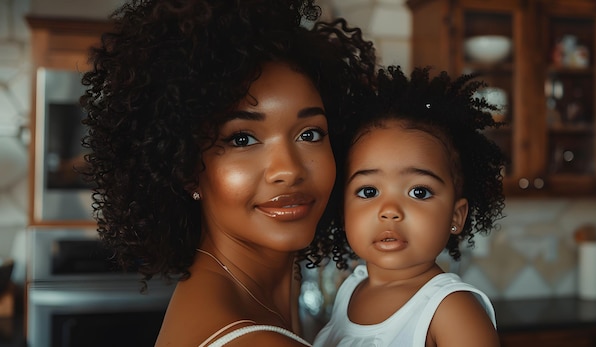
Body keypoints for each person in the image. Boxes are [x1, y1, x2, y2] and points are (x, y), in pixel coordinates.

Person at [79, 0, 377, 346]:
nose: (289, 170)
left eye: (309, 134)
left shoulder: (225, 302)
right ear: (186, 167)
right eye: (242, 139)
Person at [313, 66, 506, 347]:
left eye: (418, 191)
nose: (390, 209)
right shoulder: (351, 289)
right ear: (343, 213)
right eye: (368, 191)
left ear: (456, 215)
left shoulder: (452, 309)